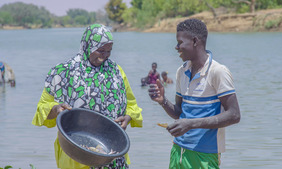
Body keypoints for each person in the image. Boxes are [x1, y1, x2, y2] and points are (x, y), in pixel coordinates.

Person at [32, 24, 143, 169]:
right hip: (77, 154)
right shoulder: (63, 72)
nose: (105, 56)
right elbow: (42, 108)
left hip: (111, 153)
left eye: (109, 51)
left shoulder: (116, 72)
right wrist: (56, 109)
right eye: (100, 50)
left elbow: (131, 105)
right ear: (87, 46)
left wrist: (128, 117)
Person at [148, 19, 240, 169]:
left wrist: (191, 124)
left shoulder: (218, 71)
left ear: (195, 41)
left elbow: (234, 115)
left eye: (180, 42)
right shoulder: (182, 71)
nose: (176, 47)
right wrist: (162, 101)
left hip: (204, 155)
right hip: (178, 151)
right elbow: (179, 113)